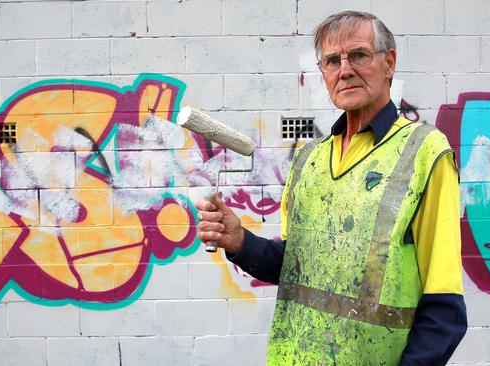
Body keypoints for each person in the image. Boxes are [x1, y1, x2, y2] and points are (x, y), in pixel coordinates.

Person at [195, 10, 467, 365]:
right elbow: (296, 267)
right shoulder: (309, 158)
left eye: (358, 55)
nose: (345, 70)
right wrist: (240, 242)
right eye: (332, 61)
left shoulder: (424, 152)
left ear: (389, 63)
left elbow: (444, 306)